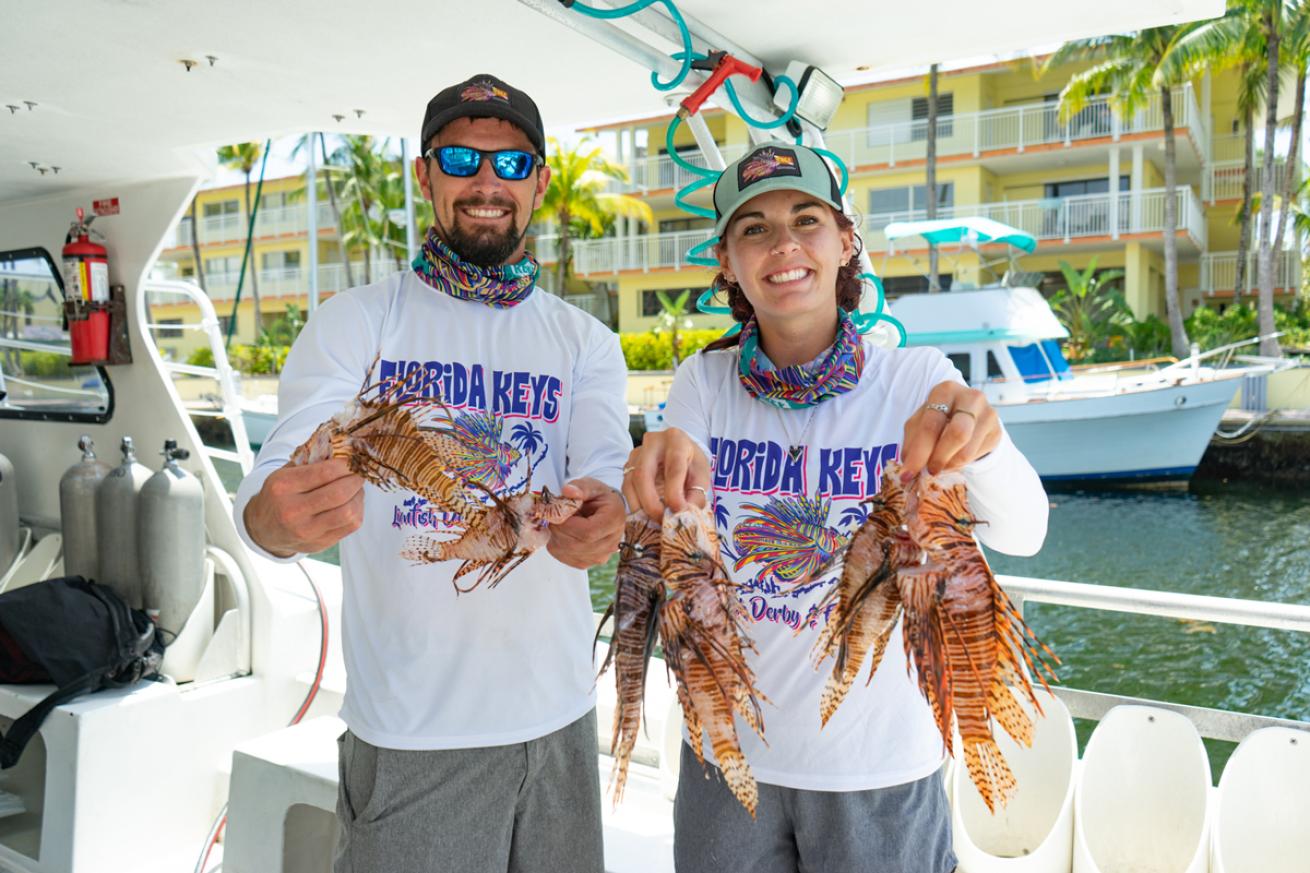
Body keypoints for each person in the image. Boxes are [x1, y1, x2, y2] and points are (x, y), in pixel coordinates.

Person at [234, 74, 631, 873]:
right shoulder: (356, 321)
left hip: (560, 723)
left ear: (540, 181)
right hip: (414, 733)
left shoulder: (585, 341)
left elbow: (603, 469)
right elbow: (277, 470)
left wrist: (607, 515)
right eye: (460, 158)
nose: (487, 183)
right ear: (425, 176)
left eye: (512, 164)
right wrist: (272, 520)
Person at [622, 143, 1049, 873]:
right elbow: (677, 502)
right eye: (753, 228)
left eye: (806, 219)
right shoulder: (705, 381)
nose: (784, 245)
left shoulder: (914, 377)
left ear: (846, 242)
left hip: (877, 770)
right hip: (728, 753)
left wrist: (982, 445)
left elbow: (1026, 532)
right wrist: (650, 482)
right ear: (727, 259)